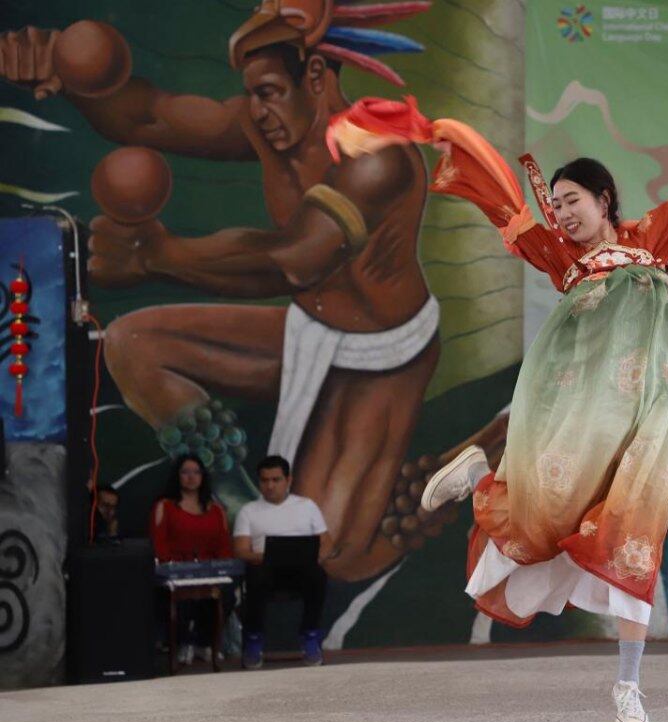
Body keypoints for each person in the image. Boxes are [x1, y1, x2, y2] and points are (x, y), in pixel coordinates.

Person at [327, 82, 668, 722]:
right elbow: (502, 204)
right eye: (555, 204)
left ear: (604, 199)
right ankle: (482, 476)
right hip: (584, 401)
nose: (561, 214)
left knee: (634, 538)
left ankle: (629, 687)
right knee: (541, 521)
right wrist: (444, 138)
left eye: (572, 201)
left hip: (649, 409)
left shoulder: (652, 236)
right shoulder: (560, 257)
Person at [0, 1, 438, 581]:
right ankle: (235, 499)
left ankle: (470, 465)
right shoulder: (269, 123)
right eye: (251, 94)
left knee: (333, 558)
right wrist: (65, 69)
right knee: (133, 344)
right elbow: (147, 119)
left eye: (269, 92)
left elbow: (293, 261)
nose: (257, 111)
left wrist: (158, 256)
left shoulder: (378, 158)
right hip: (305, 332)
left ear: (315, 75)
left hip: (381, 358)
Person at [233, 455, 332, 669]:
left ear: (288, 480)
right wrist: (270, 557)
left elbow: (326, 542)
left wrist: (317, 558)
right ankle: (253, 641)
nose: (270, 486)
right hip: (265, 571)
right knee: (254, 576)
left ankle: (310, 636)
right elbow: (241, 550)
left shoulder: (307, 506)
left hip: (301, 571)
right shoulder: (248, 511)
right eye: (265, 480)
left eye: (276, 480)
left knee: (318, 575)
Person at [150, 455, 234, 666]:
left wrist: (219, 570)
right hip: (175, 573)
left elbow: (224, 546)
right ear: (177, 476)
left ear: (203, 476)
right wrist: (173, 567)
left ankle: (204, 644)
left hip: (211, 572)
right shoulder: (164, 506)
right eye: (185, 472)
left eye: (196, 472)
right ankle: (183, 643)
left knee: (227, 594)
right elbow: (159, 543)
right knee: (171, 598)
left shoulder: (216, 510)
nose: (191, 477)